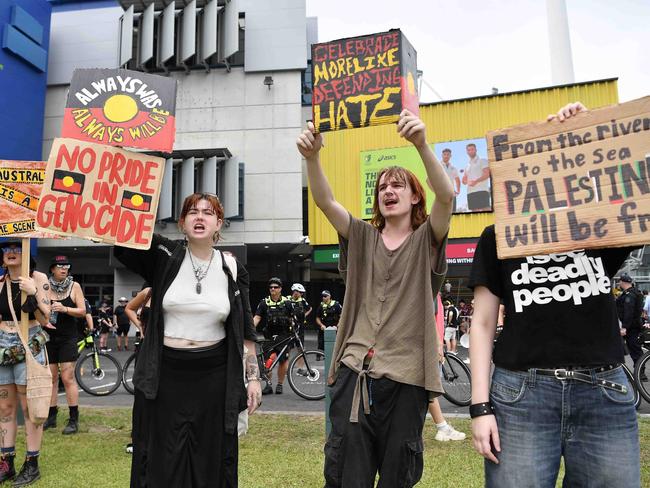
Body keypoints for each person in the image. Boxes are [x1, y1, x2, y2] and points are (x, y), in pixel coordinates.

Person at [469, 101, 640, 488]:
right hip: (521, 396)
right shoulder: (498, 236)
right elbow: (481, 324)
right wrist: (479, 407)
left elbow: (629, 175)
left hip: (604, 393)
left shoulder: (597, 225)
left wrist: (582, 129)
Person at [297, 109, 453, 487]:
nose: (388, 191)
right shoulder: (363, 236)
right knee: (347, 472)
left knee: (397, 475)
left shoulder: (426, 240)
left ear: (416, 196)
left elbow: (447, 196)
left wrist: (421, 144)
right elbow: (325, 202)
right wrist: (313, 157)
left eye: (398, 185)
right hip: (354, 373)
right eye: (383, 186)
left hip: (407, 379)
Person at [114, 192, 261, 487]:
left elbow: (245, 330)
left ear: (219, 224)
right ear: (182, 223)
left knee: (211, 458)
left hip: (214, 377)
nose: (200, 217)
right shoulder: (164, 256)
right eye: (192, 212)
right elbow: (126, 234)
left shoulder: (232, 268)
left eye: (208, 213)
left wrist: (253, 377)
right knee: (161, 458)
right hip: (164, 375)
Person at [0, 241, 51, 485]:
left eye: (17, 248)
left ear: (27, 252)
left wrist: (32, 292)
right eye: (7, 249)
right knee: (5, 408)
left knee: (30, 409)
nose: (11, 252)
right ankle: (5, 462)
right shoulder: (0, 280)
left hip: (28, 341)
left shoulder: (37, 278)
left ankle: (32, 463)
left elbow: (46, 316)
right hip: (2, 345)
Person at [42, 255, 87, 435]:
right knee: (51, 378)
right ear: (52, 268)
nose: (64, 269)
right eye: (60, 266)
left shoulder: (74, 286)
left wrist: (65, 309)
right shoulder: (44, 286)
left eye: (66, 266)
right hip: (48, 337)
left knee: (67, 377)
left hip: (68, 337)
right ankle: (51, 416)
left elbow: (83, 311)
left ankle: (73, 418)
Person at [429, 295, 466, 441]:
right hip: (430, 344)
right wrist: (438, 343)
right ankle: (442, 428)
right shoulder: (431, 287)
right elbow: (430, 316)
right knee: (430, 389)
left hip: (427, 343)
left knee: (428, 390)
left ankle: (442, 427)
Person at [254, 278, 295, 395]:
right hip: (269, 336)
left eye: (275, 287)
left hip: (284, 335)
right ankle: (268, 385)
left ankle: (280, 384)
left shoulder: (287, 303)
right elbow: (257, 318)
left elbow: (293, 318)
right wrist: (250, 331)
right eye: (271, 287)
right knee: (268, 361)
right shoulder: (264, 303)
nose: (273, 289)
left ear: (280, 289)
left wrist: (295, 333)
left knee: (283, 361)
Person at [616, 273, 645, 379]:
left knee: (634, 349)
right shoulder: (633, 292)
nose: (619, 283)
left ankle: (640, 373)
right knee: (630, 348)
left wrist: (624, 327)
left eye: (619, 282)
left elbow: (629, 311)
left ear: (623, 282)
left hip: (630, 327)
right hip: (632, 326)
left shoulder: (630, 294)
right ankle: (637, 371)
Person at [461, 143, 491, 211]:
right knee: (474, 214)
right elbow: (464, 181)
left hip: (482, 190)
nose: (470, 151)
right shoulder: (467, 166)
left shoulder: (483, 160)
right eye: (469, 150)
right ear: (467, 152)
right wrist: (464, 181)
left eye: (472, 149)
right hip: (470, 192)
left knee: (486, 210)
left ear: (476, 150)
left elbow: (487, 174)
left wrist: (476, 181)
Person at [440, 148, 461, 212]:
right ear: (442, 155)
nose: (446, 156)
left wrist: (458, 190)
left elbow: (457, 179)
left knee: (453, 212)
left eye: (448, 154)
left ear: (450, 156)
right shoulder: (438, 166)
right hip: (442, 193)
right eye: (444, 154)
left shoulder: (453, 168)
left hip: (452, 193)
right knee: (443, 212)